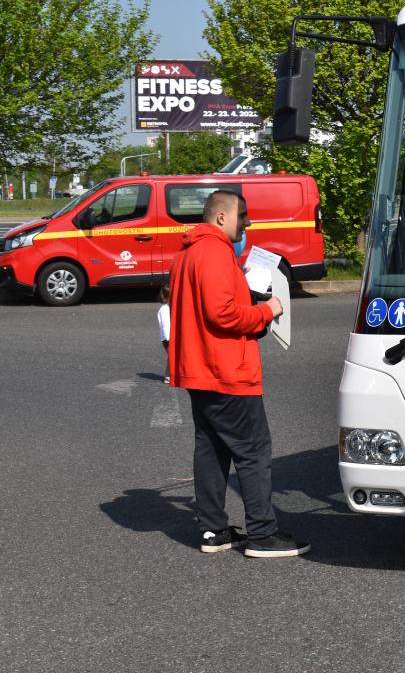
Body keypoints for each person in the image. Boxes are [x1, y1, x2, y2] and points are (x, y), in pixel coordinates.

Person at [168, 189, 308, 558]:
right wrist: (268, 311)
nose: (247, 222)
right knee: (254, 451)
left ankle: (214, 532)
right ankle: (263, 534)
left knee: (212, 450)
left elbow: (208, 308)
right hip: (226, 370)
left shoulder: (189, 253)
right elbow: (223, 314)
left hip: (199, 369)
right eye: (242, 215)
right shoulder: (214, 252)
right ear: (220, 217)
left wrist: (245, 296)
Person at [157, 285, 171, 385]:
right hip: (168, 338)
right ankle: (168, 375)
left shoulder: (169, 307)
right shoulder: (165, 309)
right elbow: (165, 326)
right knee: (172, 357)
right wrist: (169, 339)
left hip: (170, 337)